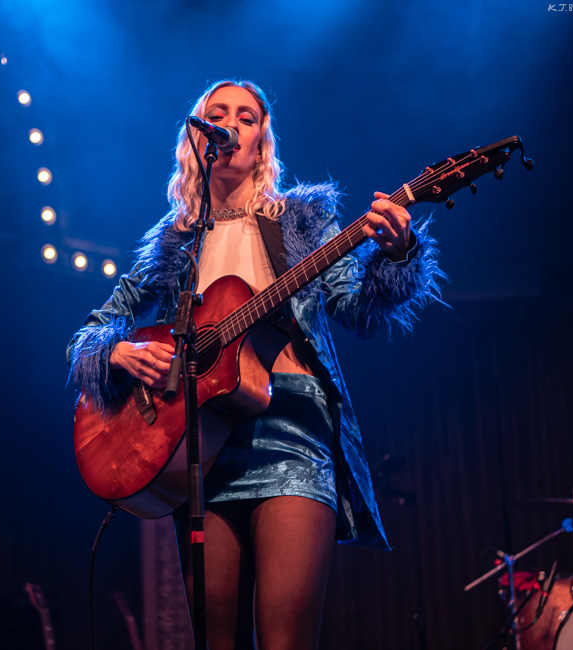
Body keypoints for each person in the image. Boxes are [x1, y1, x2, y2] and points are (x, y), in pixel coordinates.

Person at [66, 80, 444, 649]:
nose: (231, 125)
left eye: (246, 116)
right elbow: (93, 331)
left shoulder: (301, 224)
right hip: (201, 449)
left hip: (293, 435)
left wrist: (397, 254)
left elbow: (357, 308)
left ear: (262, 138)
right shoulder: (175, 244)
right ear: (197, 137)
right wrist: (118, 352)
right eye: (217, 115)